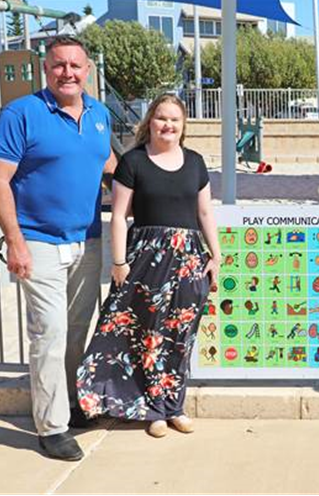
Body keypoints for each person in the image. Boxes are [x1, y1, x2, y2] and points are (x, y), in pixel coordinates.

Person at [0, 36, 116, 461]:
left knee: (77, 331)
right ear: (46, 69)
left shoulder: (99, 115)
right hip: (37, 241)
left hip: (88, 239)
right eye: (59, 65)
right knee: (50, 333)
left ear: (88, 70)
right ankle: (51, 426)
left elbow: (111, 168)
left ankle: (74, 404)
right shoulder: (20, 114)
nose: (68, 73)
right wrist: (16, 242)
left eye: (76, 66)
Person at [75, 94, 220, 438]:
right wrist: (120, 261)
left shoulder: (196, 162)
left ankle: (175, 406)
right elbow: (120, 217)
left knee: (180, 338)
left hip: (188, 261)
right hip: (146, 261)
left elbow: (204, 213)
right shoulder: (133, 162)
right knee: (148, 336)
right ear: (149, 122)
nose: (167, 125)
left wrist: (216, 255)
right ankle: (152, 408)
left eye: (175, 120)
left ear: (183, 127)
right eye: (161, 118)